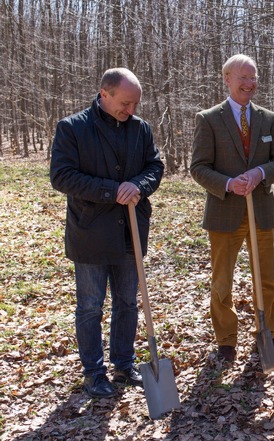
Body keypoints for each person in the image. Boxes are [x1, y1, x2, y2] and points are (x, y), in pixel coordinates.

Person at [50, 68, 164, 398]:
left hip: (131, 230)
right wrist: (111, 190)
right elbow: (62, 176)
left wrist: (137, 186)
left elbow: (154, 167)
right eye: (125, 103)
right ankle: (93, 372)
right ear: (105, 94)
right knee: (90, 306)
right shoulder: (72, 128)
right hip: (90, 233)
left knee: (127, 302)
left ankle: (124, 365)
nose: (130, 110)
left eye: (135, 104)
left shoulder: (141, 129)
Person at [191, 54, 274, 363]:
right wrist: (228, 183)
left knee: (266, 278)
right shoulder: (208, 119)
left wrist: (260, 173)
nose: (250, 83)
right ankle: (226, 340)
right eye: (243, 78)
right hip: (224, 213)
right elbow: (198, 168)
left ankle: (268, 333)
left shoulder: (268, 118)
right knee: (223, 280)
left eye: (253, 77)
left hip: (261, 211)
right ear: (227, 79)